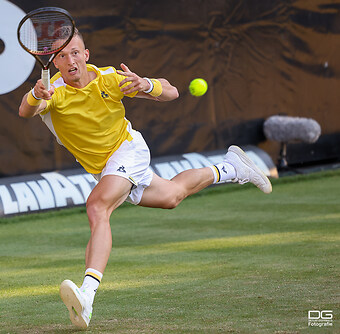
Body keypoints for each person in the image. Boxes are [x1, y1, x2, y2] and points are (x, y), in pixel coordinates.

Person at [18, 27, 272, 329]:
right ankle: (232, 168)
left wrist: (145, 84)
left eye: (75, 52)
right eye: (62, 56)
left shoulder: (110, 78)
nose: (71, 60)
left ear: (86, 55)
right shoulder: (53, 91)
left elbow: (171, 91)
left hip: (127, 150)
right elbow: (26, 110)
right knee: (172, 196)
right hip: (105, 167)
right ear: (54, 63)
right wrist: (36, 94)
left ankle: (87, 297)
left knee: (98, 207)